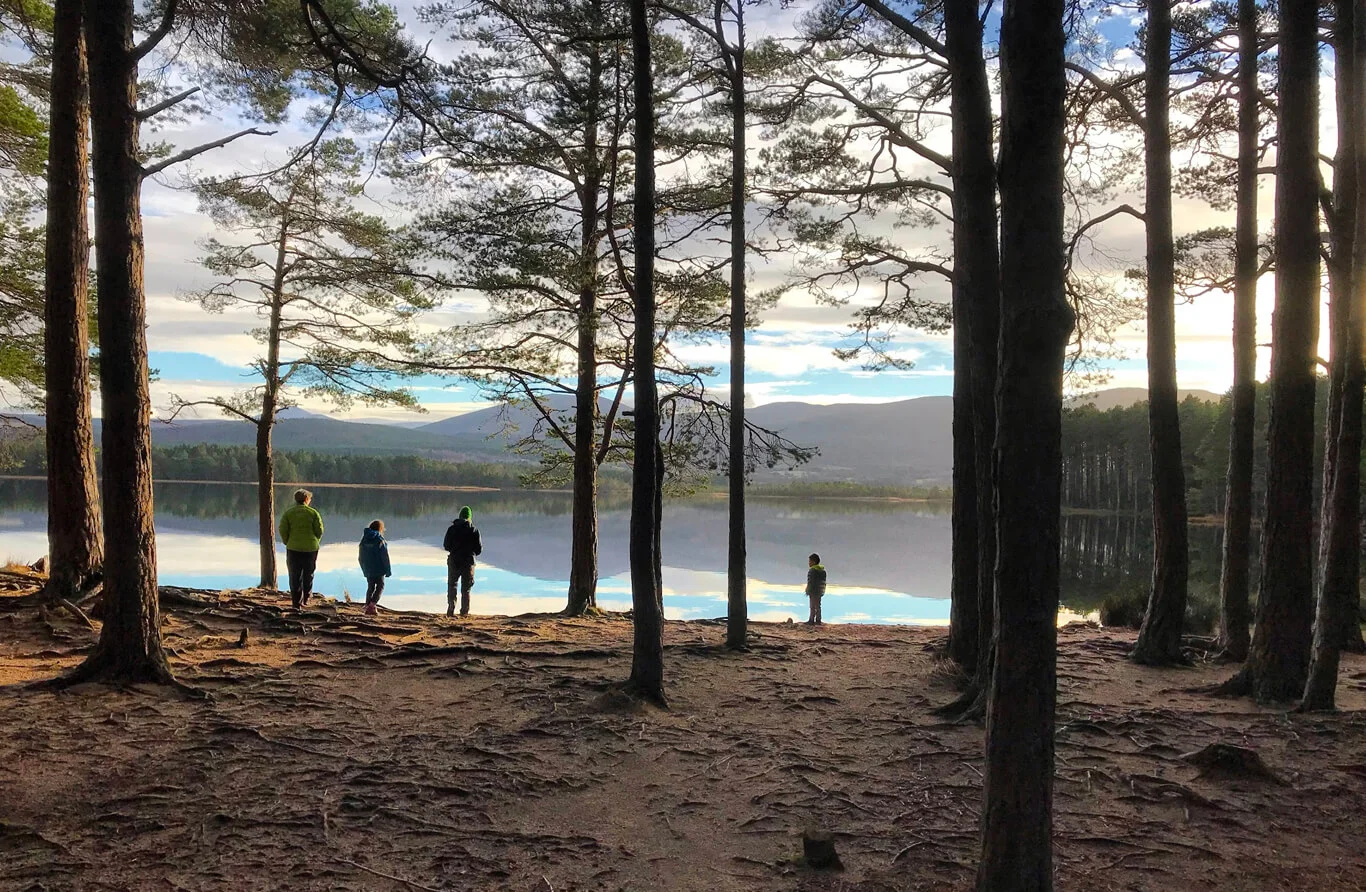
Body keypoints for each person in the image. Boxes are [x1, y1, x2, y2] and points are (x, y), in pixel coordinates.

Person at [279, 489, 324, 609]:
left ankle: (296, 603)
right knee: (308, 574)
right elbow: (319, 530)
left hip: (293, 548)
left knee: (294, 575)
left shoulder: (288, 513)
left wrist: (287, 541)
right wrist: (315, 541)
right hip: (310, 549)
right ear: (306, 499)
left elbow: (283, 529)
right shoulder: (313, 513)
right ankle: (306, 599)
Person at [443, 505, 482, 617]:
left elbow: (446, 546)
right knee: (466, 589)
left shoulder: (451, 529)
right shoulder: (474, 530)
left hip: (454, 560)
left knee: (452, 585)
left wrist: (454, 550)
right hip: (468, 562)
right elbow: (478, 550)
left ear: (460, 516)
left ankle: (451, 609)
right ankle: (464, 612)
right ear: (470, 517)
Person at [358, 519, 391, 616]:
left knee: (370, 587)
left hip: (368, 569)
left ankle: (368, 605)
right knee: (380, 586)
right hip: (379, 569)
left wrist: (364, 568)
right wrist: (388, 570)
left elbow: (360, 557)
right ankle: (372, 605)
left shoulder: (364, 540)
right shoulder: (380, 540)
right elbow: (385, 557)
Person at [805, 552, 827, 625]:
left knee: (812, 606)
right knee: (818, 606)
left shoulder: (812, 571)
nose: (809, 563)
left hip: (813, 591)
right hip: (820, 590)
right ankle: (818, 620)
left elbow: (810, 582)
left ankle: (811, 620)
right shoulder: (823, 571)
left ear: (814, 562)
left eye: (810, 561)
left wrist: (808, 590)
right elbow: (824, 582)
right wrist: (822, 590)